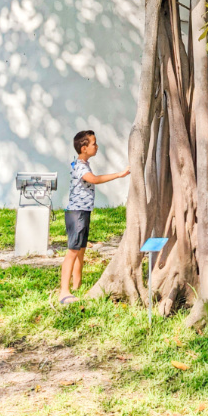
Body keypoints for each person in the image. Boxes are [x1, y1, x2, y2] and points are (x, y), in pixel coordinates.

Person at [59, 129, 129, 305]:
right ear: (84, 148)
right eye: (93, 143)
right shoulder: (81, 166)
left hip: (82, 212)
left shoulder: (82, 163)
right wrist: (119, 174)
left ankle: (76, 287)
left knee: (80, 251)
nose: (96, 147)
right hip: (77, 214)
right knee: (72, 253)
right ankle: (63, 291)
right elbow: (94, 180)